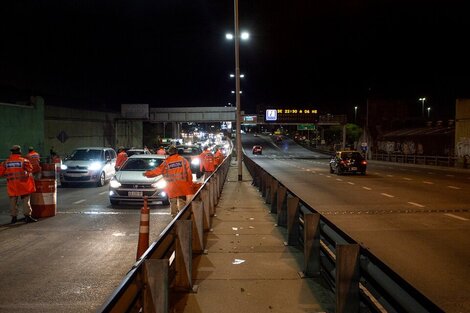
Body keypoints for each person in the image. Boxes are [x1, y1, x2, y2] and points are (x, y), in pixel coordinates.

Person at [144, 145, 193, 217]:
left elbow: (158, 171)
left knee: (173, 202)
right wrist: (190, 183)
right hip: (182, 185)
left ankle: (174, 218)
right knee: (182, 201)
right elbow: (188, 172)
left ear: (169, 152)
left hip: (171, 186)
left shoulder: (167, 162)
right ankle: (183, 217)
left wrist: (147, 174)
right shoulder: (183, 160)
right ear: (176, 152)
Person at [0, 145, 37, 223]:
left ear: (12, 152)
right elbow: (30, 169)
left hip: (12, 185)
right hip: (23, 184)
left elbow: (1, 172)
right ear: (19, 151)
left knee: (13, 201)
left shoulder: (6, 162)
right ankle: (27, 216)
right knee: (25, 200)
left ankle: (14, 218)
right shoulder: (24, 161)